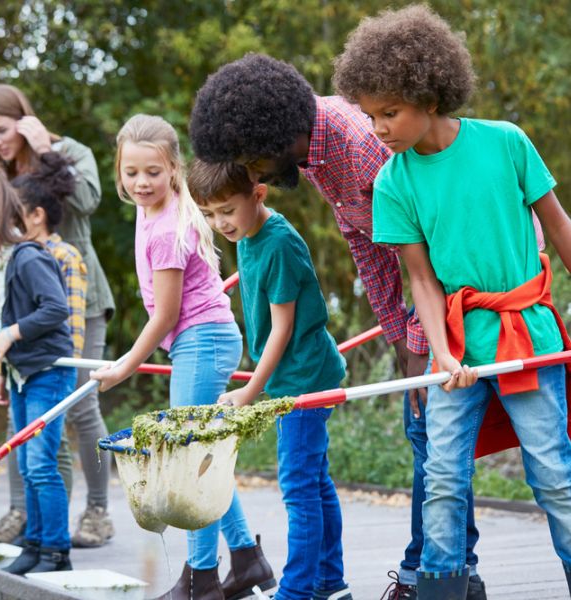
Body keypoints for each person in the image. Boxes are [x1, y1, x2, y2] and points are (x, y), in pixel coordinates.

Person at [188, 53, 487, 598]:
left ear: (276, 136)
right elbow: (366, 243)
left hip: (468, 286)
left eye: (252, 162)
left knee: (434, 437)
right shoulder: (317, 155)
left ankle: (440, 575)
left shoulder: (358, 142)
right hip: (426, 300)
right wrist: (399, 339)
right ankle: (429, 574)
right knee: (425, 433)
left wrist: (423, 341)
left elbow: (430, 239)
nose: (253, 177)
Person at [333, 4, 571, 598]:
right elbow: (421, 283)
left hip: (528, 340)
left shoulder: (507, 144)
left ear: (430, 96)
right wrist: (440, 354)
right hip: (457, 350)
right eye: (369, 116)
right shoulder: (392, 183)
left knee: (555, 477)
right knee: (441, 477)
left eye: (390, 112)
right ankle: (442, 589)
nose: (378, 128)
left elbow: (561, 229)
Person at [90, 114, 274, 599]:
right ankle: (247, 560)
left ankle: (201, 578)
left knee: (187, 462)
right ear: (120, 172)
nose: (141, 182)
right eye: (131, 173)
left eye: (152, 172)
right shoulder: (149, 210)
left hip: (202, 339)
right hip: (199, 339)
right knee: (203, 461)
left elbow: (166, 314)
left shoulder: (166, 228)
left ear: (173, 169)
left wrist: (124, 365)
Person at [188, 159, 350, 600]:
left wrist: (249, 391)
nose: (219, 222)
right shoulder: (246, 234)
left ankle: (297, 590)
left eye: (226, 210)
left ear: (258, 194)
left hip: (303, 381)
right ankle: (331, 585)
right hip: (294, 376)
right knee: (315, 481)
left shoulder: (277, 244)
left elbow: (281, 328)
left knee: (298, 487)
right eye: (208, 214)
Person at [0, 84, 115, 547]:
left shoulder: (69, 150)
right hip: (20, 312)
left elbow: (89, 200)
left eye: (1, 130)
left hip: (77, 300)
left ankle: (97, 511)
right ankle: (22, 513)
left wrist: (45, 149)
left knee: (81, 404)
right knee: (22, 414)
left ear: (24, 119)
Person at [0, 168, 76, 574]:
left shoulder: (27, 257)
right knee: (26, 464)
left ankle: (56, 551)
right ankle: (33, 545)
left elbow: (55, 309)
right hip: (20, 374)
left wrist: (10, 335)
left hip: (48, 373)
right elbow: (4, 319)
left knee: (40, 463)